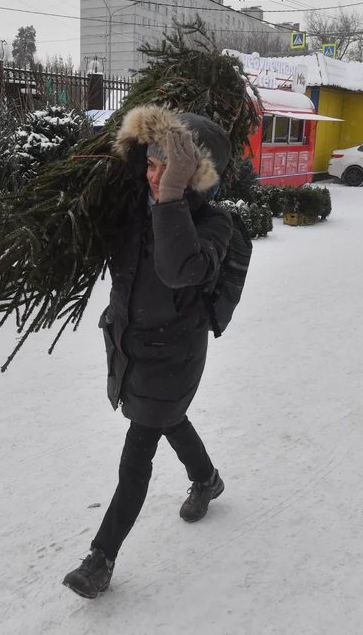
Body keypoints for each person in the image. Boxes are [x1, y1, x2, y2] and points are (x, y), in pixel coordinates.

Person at [63, 105, 234, 599]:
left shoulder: (215, 226)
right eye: (151, 165)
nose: (152, 175)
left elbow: (179, 268)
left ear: (192, 177)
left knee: (139, 447)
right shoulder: (138, 207)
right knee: (166, 419)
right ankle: (207, 479)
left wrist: (171, 198)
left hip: (174, 356)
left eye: (166, 167)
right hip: (130, 345)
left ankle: (100, 558)